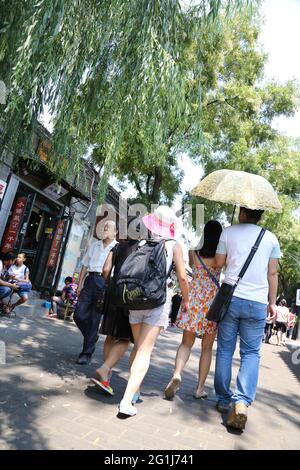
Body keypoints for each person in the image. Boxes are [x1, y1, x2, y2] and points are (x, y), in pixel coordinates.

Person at [118, 206, 189, 417]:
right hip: (157, 302)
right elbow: (183, 278)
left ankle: (135, 392)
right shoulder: (173, 245)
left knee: (138, 347)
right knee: (145, 351)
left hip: (135, 300)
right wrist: (186, 300)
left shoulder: (141, 243)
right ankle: (126, 400)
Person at [214, 207, 281, 430]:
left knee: (225, 349)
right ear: (260, 214)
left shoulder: (228, 232)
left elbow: (219, 262)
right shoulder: (271, 238)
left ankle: (224, 400)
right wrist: (272, 302)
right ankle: (241, 402)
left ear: (242, 212)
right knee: (251, 353)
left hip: (231, 298)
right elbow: (273, 273)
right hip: (257, 302)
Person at [165, 220, 222, 400]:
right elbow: (221, 266)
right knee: (206, 348)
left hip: (194, 298)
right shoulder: (221, 257)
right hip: (211, 303)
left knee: (186, 343)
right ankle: (199, 389)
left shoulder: (193, 252)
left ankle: (177, 373)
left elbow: (193, 271)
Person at [91, 239, 139, 396]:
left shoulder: (118, 246)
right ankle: (105, 369)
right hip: (129, 294)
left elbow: (106, 269)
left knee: (111, 335)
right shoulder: (141, 247)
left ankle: (106, 377)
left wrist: (110, 284)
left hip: (113, 291)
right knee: (124, 338)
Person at [74, 220, 118, 365]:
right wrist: (79, 284)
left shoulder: (117, 248)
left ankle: (86, 353)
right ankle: (92, 337)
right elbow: (85, 265)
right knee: (78, 314)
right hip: (90, 281)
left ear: (115, 232)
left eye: (108, 228)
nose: (105, 229)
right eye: (104, 227)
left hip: (104, 283)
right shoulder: (95, 245)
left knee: (94, 319)